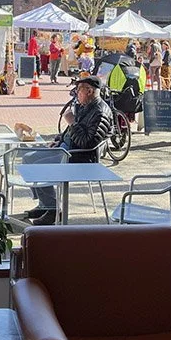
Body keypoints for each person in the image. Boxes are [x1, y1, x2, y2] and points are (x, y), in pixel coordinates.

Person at [25, 75, 113, 226]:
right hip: (67, 149)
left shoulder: (100, 112)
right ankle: (45, 204)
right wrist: (58, 140)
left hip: (80, 158)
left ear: (90, 91)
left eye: (79, 89)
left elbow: (87, 143)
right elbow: (70, 132)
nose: (76, 93)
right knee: (28, 158)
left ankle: (52, 210)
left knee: (37, 167)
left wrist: (72, 123)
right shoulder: (85, 106)